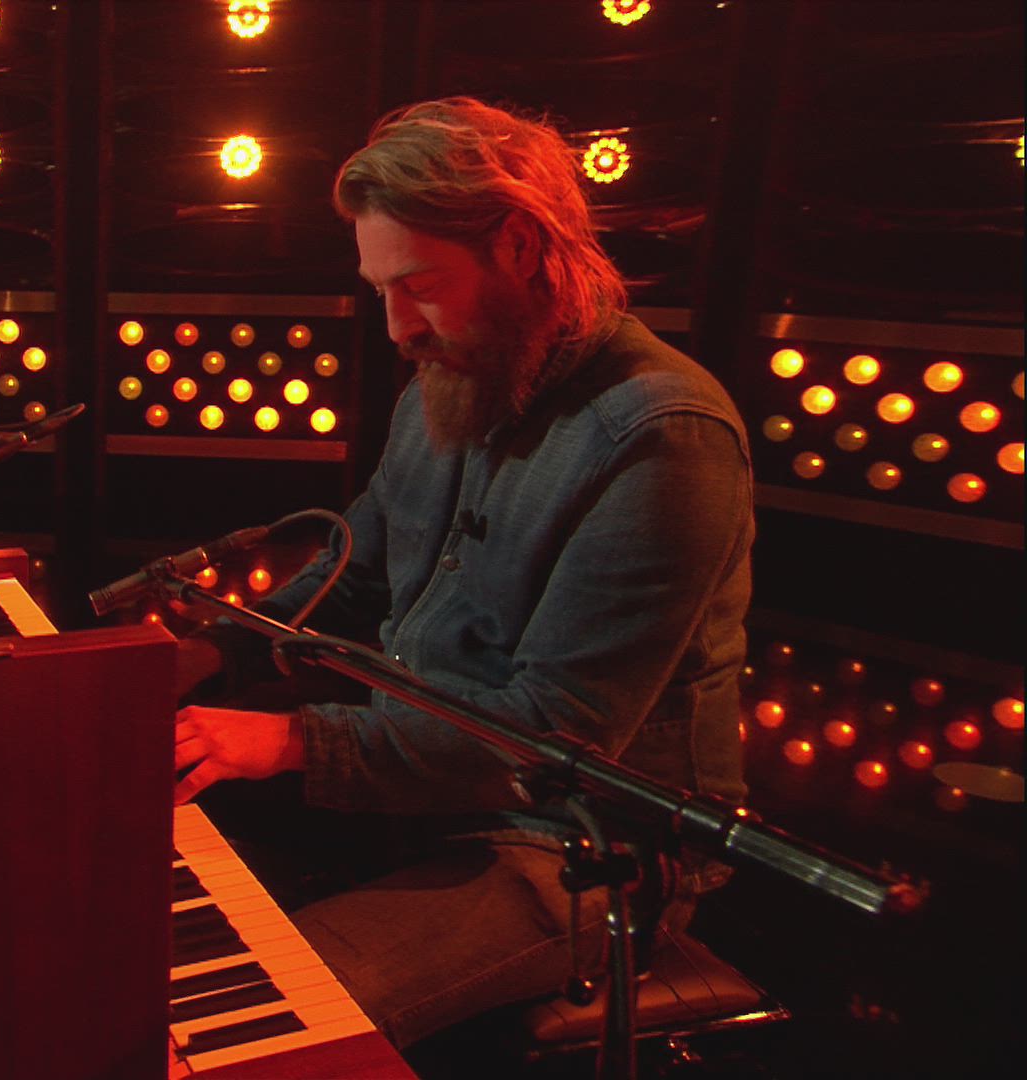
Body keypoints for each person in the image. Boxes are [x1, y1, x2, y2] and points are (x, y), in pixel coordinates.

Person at [170, 97, 753, 1049]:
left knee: (237, 1026)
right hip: (428, 790)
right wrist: (201, 655)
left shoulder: (662, 436)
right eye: (379, 290)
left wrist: (286, 742)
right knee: (101, 872)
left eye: (421, 286)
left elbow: (552, 733)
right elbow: (354, 571)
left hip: (577, 845)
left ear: (520, 248)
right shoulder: (443, 384)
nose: (397, 326)